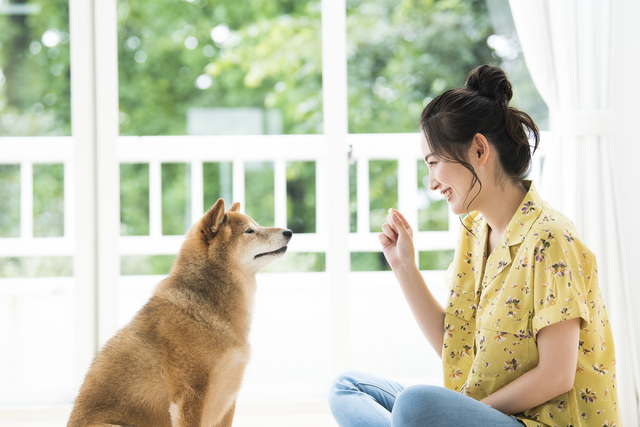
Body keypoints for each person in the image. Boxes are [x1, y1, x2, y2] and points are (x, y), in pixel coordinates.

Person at [328, 65, 622, 427]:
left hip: (539, 422)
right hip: (487, 414)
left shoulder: (550, 238)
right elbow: (458, 349)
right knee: (349, 388)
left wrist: (465, 413)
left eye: (434, 162)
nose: (432, 182)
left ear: (479, 149)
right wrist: (404, 267)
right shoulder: (474, 232)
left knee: (415, 406)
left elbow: (556, 376)